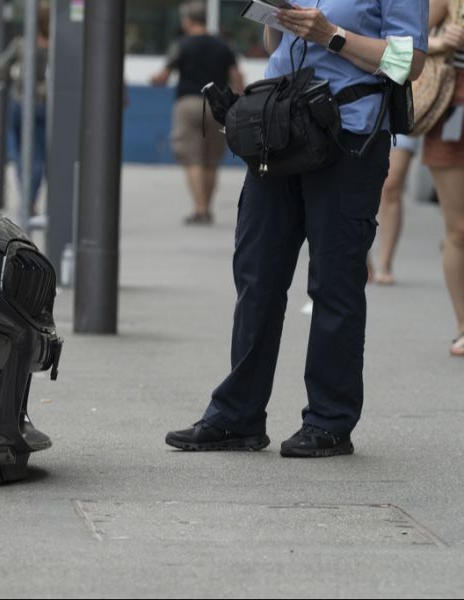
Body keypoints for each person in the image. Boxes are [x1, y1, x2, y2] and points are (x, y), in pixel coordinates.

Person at [165, 1, 428, 457]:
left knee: (334, 281)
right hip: (280, 126)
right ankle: (237, 416)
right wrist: (279, 17)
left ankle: (329, 421)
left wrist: (331, 34)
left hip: (349, 136)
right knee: (256, 275)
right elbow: (277, 43)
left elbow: (409, 63)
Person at [149, 2, 243, 225]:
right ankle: (207, 208)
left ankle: (200, 209)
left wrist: (154, 80)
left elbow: (162, 76)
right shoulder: (223, 45)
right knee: (211, 160)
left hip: (189, 104)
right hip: (218, 106)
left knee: (192, 158)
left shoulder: (181, 44)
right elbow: (236, 76)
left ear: (187, 21)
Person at [424, 0, 464, 356]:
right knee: (459, 229)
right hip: (454, 114)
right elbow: (404, 35)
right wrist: (441, 42)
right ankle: (463, 326)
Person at [0, 4, 50, 217]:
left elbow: (0, 66)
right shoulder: (56, 47)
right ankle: (30, 200)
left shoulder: (21, 43)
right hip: (44, 105)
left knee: (21, 155)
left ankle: (26, 199)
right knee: (38, 156)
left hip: (20, 104)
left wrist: (6, 81)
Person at [372, 134, 417, 285]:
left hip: (397, 119)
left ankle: (385, 264)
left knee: (391, 186)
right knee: (353, 189)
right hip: (359, 118)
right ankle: (359, 257)